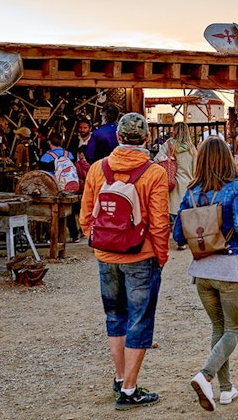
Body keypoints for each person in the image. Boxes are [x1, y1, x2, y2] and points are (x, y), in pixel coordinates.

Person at [78, 113, 169, 410]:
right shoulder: (153, 173)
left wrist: (100, 242)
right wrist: (161, 255)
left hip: (106, 255)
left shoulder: (97, 169)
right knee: (139, 320)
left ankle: (120, 378)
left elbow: (86, 215)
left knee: (114, 317)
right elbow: (158, 223)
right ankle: (129, 390)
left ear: (117, 138)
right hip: (140, 255)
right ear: (145, 139)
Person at [172, 136, 238, 411]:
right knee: (234, 330)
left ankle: (226, 389)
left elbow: (177, 234)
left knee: (218, 327)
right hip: (229, 265)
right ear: (228, 158)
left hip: (201, 269)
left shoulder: (191, 192)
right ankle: (205, 376)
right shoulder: (237, 188)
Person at [39, 131, 80, 241]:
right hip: (68, 186)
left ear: (49, 142)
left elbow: (43, 174)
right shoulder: (69, 154)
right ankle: (74, 235)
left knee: (53, 212)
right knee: (68, 210)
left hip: (54, 187)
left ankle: (51, 236)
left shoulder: (46, 157)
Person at [165, 122, 198, 236]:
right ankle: (186, 235)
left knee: (174, 211)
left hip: (173, 183)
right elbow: (196, 169)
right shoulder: (191, 148)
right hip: (188, 184)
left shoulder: (168, 145)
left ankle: (178, 235)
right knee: (186, 211)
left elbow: (157, 160)